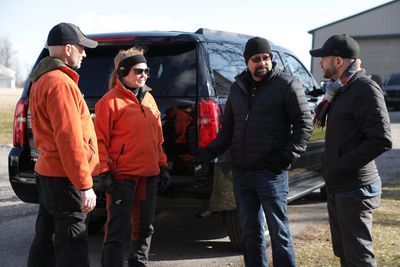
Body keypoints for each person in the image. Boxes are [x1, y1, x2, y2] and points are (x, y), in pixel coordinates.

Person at [194, 36, 313, 267]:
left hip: (271, 173)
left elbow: (303, 124)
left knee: (279, 231)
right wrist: (207, 152)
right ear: (247, 61)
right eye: (256, 59)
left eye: (266, 58)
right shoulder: (237, 88)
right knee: (250, 231)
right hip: (242, 174)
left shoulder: (286, 85)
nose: (263, 63)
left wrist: (286, 157)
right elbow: (228, 129)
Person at [309, 34, 392, 266]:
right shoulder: (338, 90)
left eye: (323, 58)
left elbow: (382, 139)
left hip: (355, 189)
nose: (320, 63)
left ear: (338, 61)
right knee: (345, 255)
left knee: (359, 258)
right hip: (340, 187)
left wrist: (341, 165)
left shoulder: (364, 89)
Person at [27, 22, 99, 267]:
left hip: (48, 173)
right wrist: (84, 184)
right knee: (72, 248)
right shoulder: (61, 84)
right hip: (64, 178)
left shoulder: (42, 80)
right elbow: (69, 140)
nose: (85, 53)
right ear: (68, 49)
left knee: (44, 241)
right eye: (82, 48)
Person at [94, 47, 170, 267]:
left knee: (145, 227)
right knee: (117, 229)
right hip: (121, 178)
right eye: (138, 70)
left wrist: (162, 165)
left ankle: (139, 263)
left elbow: (158, 139)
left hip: (149, 176)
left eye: (146, 70)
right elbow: (99, 141)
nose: (143, 75)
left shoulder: (149, 100)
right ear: (124, 72)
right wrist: (104, 172)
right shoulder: (109, 103)